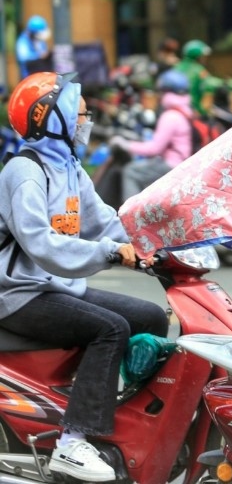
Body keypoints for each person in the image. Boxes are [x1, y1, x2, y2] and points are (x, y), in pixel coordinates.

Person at [0, 72, 168, 481]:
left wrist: (156, 244)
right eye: (79, 114)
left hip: (54, 286)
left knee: (150, 317)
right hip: (18, 293)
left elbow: (103, 221)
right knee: (110, 329)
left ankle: (112, 412)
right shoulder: (24, 172)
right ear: (50, 119)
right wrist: (111, 253)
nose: (86, 121)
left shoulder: (70, 167)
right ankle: (73, 443)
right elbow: (42, 244)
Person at [109, 69, 193, 203]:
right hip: (179, 162)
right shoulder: (183, 112)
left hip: (171, 164)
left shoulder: (170, 116)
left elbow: (154, 149)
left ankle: (132, 216)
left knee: (131, 171)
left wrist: (125, 144)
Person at [174, 39, 213, 117]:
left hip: (177, 111)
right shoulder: (200, 71)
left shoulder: (176, 68)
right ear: (197, 56)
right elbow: (209, 88)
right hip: (195, 113)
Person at [15, 15, 53, 79]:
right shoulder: (23, 41)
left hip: (42, 76)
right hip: (28, 77)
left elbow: (44, 53)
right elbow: (23, 57)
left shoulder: (39, 40)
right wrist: (38, 55)